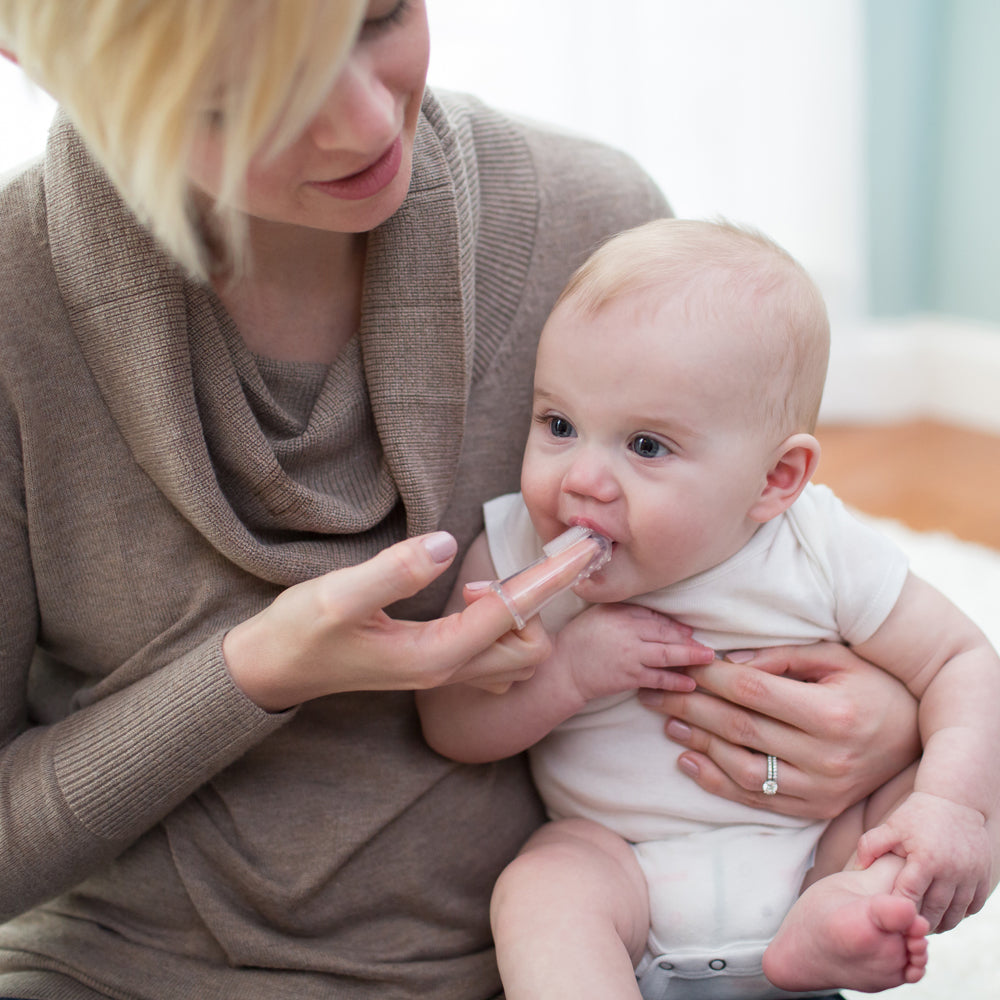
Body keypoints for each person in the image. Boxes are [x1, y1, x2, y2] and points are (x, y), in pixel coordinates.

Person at [0, 1, 924, 996]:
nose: (362, 123)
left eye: (379, 15)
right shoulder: (20, 311)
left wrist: (884, 729)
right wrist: (254, 673)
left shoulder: (592, 220)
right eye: (240, 100)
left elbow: (752, 585)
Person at [417, 219, 1000, 999]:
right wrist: (569, 674)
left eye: (647, 446)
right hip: (624, 865)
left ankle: (838, 921)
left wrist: (954, 806)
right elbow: (450, 725)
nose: (582, 479)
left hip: (819, 851)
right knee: (541, 888)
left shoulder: (815, 546)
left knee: (910, 820)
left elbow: (961, 661)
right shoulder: (520, 545)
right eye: (559, 426)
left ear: (774, 482)